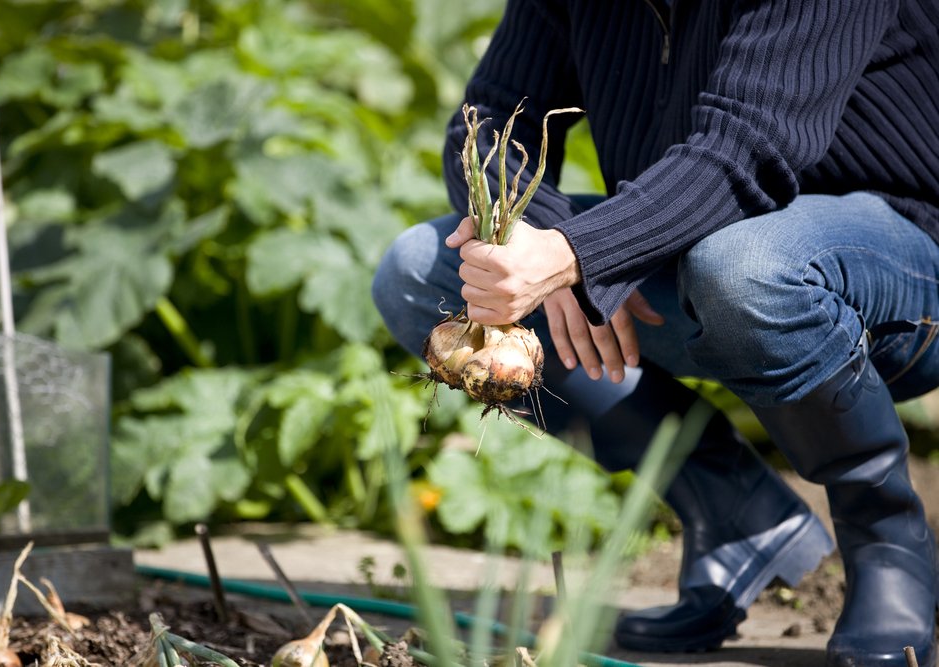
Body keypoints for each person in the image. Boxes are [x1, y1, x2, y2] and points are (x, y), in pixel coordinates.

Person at [372, 1, 939, 665]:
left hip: (901, 259)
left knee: (745, 268)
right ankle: (731, 510)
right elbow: (491, 117)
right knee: (423, 273)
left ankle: (886, 544)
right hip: (701, 250)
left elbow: (746, 148)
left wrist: (579, 255)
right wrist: (536, 236)